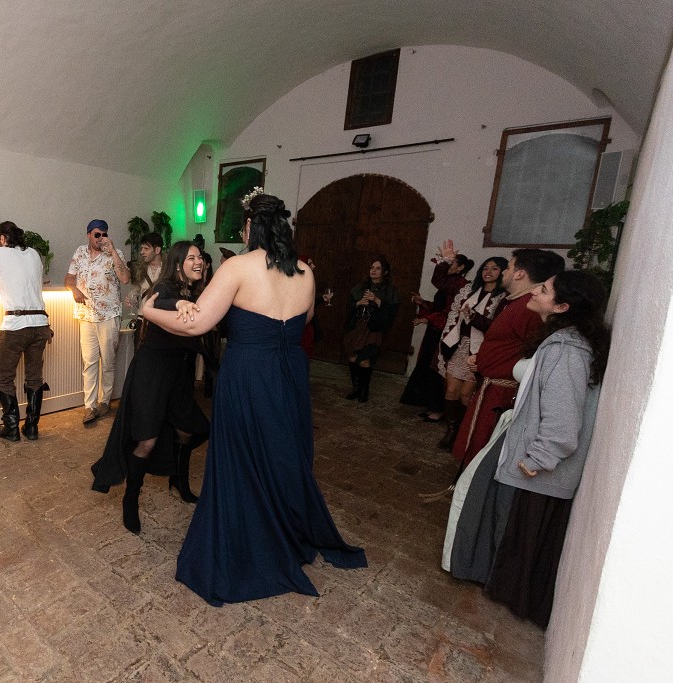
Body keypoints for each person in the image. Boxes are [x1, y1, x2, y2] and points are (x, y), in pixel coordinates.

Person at [142, 190, 366, 606]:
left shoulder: (237, 267)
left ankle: (253, 538)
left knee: (243, 455)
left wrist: (150, 311)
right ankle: (285, 528)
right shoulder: (305, 271)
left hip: (249, 372)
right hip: (291, 372)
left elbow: (196, 325)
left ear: (250, 227)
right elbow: (307, 319)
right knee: (283, 450)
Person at [450, 271, 609, 629]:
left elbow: (563, 417)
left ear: (562, 306)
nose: (535, 291)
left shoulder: (567, 350)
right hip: (532, 459)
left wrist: (540, 457)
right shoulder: (562, 341)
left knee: (515, 530)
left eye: (545, 289)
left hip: (538, 467)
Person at [91, 241, 210, 534]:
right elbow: (157, 302)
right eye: (191, 258)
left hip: (179, 373)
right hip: (152, 372)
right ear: (178, 263)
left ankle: (178, 481)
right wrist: (179, 304)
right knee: (146, 441)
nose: (198, 262)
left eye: (200, 258)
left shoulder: (195, 291)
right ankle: (130, 499)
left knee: (189, 430)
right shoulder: (166, 288)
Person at [451, 249, 566, 468]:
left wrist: (492, 362)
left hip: (503, 392)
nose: (504, 271)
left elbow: (533, 353)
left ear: (520, 274)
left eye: (509, 267)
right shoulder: (516, 303)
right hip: (492, 386)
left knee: (483, 454)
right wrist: (484, 358)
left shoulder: (529, 308)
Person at [0, 221, 53, 441]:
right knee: (34, 378)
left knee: (4, 377)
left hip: (15, 325)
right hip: (40, 325)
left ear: (2, 238)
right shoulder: (34, 254)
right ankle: (31, 428)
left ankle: (11, 428)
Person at [435, 253, 509, 449]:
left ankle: (463, 431)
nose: (488, 272)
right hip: (459, 345)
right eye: (485, 268)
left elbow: (496, 328)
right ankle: (451, 430)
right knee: (451, 389)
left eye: (494, 268)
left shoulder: (503, 298)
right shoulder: (469, 290)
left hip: (480, 350)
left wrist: (473, 317)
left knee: (466, 395)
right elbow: (442, 283)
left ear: (503, 272)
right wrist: (444, 262)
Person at [65, 219, 131, 424]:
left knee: (108, 362)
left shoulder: (115, 254)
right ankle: (90, 406)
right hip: (86, 314)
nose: (101, 238)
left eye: (104, 234)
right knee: (89, 361)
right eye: (97, 235)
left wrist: (113, 252)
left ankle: (104, 401)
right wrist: (73, 289)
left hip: (109, 315)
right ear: (88, 235)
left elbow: (125, 279)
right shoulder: (80, 252)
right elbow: (69, 278)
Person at [400, 242, 474, 421]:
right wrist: (424, 303)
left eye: (452, 263)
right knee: (426, 366)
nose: (448, 266)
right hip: (435, 329)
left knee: (437, 369)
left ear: (461, 268)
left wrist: (428, 318)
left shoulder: (462, 285)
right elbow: (439, 304)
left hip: (445, 332)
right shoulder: (450, 282)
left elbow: (451, 313)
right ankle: (430, 404)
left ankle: (439, 409)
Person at [343, 256, 400, 402]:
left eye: (378, 268)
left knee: (364, 359)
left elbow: (392, 312)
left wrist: (376, 300)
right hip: (357, 326)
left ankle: (364, 391)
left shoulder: (389, 290)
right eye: (372, 268)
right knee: (352, 356)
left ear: (385, 272)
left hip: (373, 329)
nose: (373, 271)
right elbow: (349, 305)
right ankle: (356, 389)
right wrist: (358, 303)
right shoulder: (361, 287)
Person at [130, 232, 164, 300]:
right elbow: (136, 290)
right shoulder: (139, 270)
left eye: (146, 249)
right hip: (144, 306)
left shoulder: (169, 269)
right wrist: (132, 298)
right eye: (141, 248)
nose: (141, 252)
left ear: (157, 250)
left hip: (164, 306)